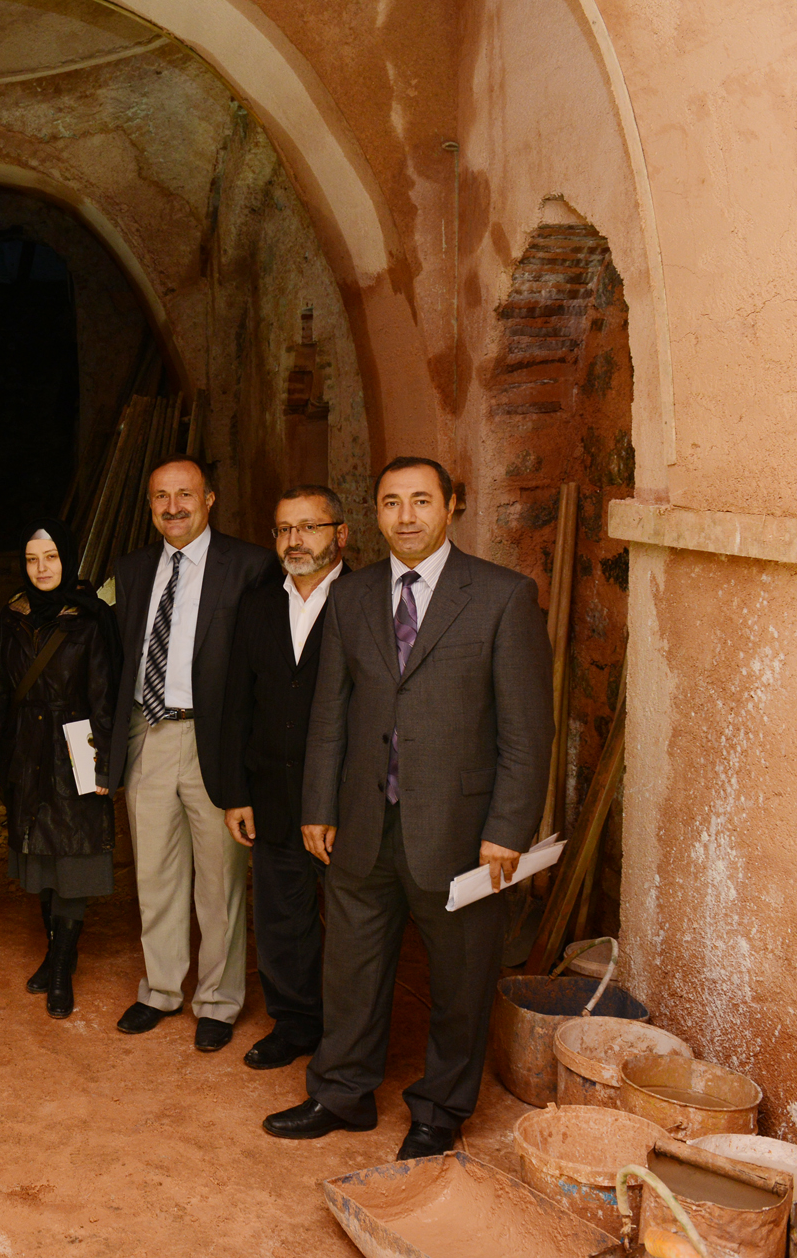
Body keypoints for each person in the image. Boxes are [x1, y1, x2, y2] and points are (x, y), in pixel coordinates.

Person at [264, 456, 551, 1160]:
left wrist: (507, 829)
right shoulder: (353, 596)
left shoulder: (502, 596)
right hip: (363, 823)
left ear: (452, 506)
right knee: (351, 969)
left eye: (422, 500)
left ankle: (439, 1109)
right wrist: (317, 804)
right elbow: (330, 711)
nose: (407, 516)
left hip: (461, 831)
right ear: (375, 514)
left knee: (460, 979)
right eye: (392, 502)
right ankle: (341, 1092)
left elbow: (527, 729)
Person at [102, 456, 274, 1052]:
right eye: (161, 497)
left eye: (185, 494)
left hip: (216, 740)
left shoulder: (249, 565)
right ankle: (160, 990)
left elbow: (261, 664)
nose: (172, 507)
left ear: (209, 500)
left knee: (220, 879)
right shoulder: (130, 569)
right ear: (150, 505)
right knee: (154, 873)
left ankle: (219, 1001)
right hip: (147, 733)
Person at [223, 485, 351, 1071]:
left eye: (308, 527)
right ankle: (295, 1022)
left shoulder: (366, 599)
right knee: (281, 917)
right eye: (283, 529)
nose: (294, 540)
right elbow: (237, 702)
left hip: (344, 798)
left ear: (340, 534)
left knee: (352, 926)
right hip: (271, 790)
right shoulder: (257, 603)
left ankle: (347, 1035)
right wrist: (236, 793)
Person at [0, 522, 119, 1019]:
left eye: (52, 557)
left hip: (77, 746)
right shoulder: (13, 614)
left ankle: (61, 968)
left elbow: (105, 695)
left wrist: (105, 762)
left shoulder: (92, 618)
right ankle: (56, 951)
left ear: (69, 559)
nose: (42, 568)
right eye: (32, 558)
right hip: (26, 747)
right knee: (39, 854)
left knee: (75, 857)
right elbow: (0, 686)